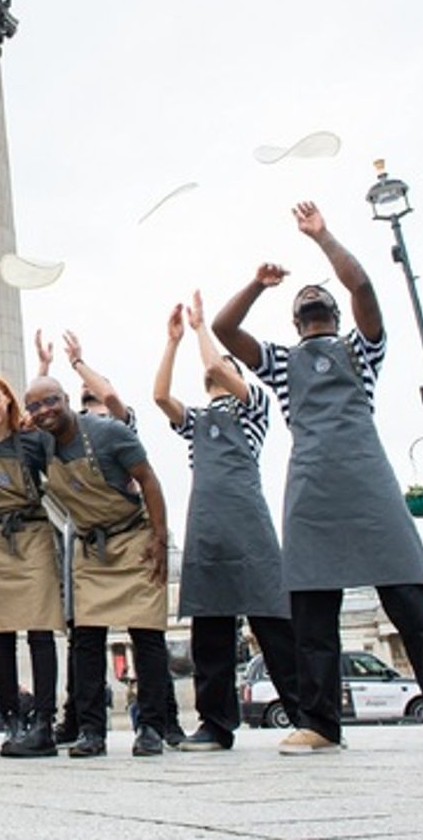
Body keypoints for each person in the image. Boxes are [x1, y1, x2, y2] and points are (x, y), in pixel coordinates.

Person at [212, 200, 423, 754]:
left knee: (411, 602)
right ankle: (320, 724)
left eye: (320, 296)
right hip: (310, 488)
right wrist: (258, 284)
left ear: (332, 310)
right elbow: (223, 328)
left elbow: (365, 289)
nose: (312, 297)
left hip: (369, 483)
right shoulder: (281, 363)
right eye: (304, 298)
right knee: (311, 614)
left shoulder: (361, 349)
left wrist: (322, 237)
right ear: (294, 319)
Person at [153, 291, 301, 752]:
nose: (214, 371)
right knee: (210, 635)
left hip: (247, 524)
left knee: (274, 626)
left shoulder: (253, 406)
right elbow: (160, 396)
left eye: (223, 368)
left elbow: (217, 368)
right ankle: (216, 724)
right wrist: (173, 342)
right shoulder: (195, 420)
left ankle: (308, 715)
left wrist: (200, 330)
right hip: (207, 529)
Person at [24, 369, 172, 759]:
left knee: (147, 636)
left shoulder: (110, 433)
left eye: (50, 400)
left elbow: (149, 480)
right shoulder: (42, 444)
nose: (44, 411)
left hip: (132, 538)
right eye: (35, 406)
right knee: (86, 640)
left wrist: (160, 538)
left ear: (67, 399)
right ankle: (91, 730)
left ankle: (152, 727)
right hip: (91, 546)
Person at [0, 372, 64, 757]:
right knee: (0, 632)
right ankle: (12, 719)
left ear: (7, 397)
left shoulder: (34, 440)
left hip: (33, 533)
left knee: (40, 629)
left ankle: (44, 721)